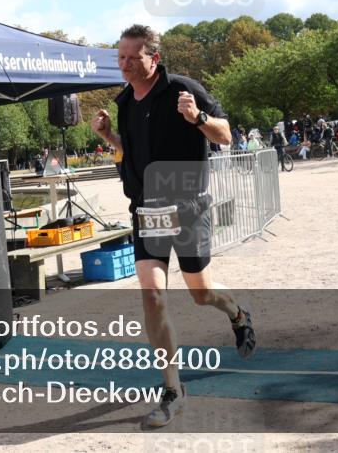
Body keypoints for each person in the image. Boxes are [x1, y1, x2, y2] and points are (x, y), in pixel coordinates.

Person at [90, 24, 255, 428]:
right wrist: (110, 134)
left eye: (133, 58)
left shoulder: (184, 89)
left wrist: (197, 117)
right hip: (148, 209)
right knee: (153, 295)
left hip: (188, 206)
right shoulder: (125, 101)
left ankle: (237, 314)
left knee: (200, 293)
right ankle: (172, 389)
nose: (125, 65)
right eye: (121, 58)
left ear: (154, 58)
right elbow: (132, 151)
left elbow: (227, 136)